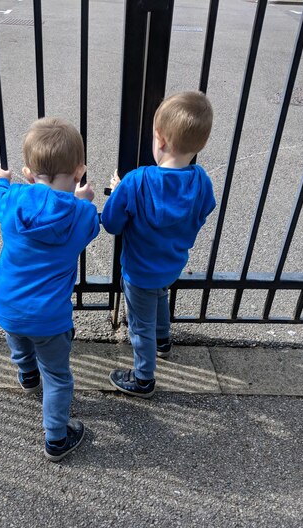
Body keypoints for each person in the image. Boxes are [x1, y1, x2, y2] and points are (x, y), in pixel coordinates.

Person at [0, 117, 99, 461]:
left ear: (28, 173)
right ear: (80, 171)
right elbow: (95, 226)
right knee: (59, 377)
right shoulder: (80, 216)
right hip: (49, 318)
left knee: (19, 339)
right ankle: (56, 437)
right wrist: (84, 200)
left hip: (7, 305)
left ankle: (26, 375)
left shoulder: (14, 199)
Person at [101, 91, 215, 398]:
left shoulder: (137, 181)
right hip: (171, 262)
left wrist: (116, 190)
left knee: (140, 327)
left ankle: (143, 378)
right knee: (160, 296)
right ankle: (163, 340)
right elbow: (206, 208)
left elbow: (111, 223)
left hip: (138, 270)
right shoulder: (201, 180)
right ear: (200, 144)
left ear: (160, 141)